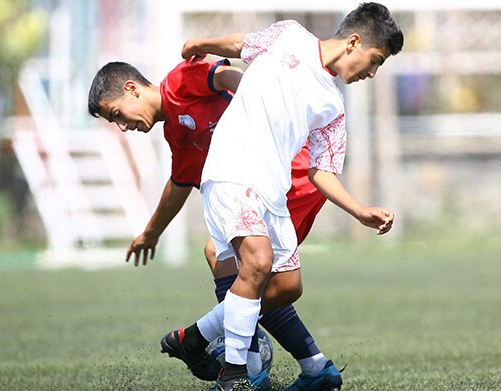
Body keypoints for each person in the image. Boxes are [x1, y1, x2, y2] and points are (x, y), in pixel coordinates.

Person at [171, 2, 403, 390]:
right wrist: (199, 42)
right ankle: (235, 377)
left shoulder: (333, 106)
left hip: (271, 189)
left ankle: (195, 336)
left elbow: (321, 171)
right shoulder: (290, 36)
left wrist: (359, 210)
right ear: (354, 42)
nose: (372, 72)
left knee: (287, 287)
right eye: (375, 60)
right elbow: (239, 44)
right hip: (231, 169)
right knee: (257, 263)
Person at [87, 59, 340, 390]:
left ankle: (222, 355)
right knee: (233, 263)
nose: (122, 126)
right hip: (272, 185)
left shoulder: (178, 82)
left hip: (287, 176)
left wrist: (258, 101)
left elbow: (226, 76)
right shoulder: (176, 132)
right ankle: (308, 367)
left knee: (243, 267)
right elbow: (179, 183)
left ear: (131, 89)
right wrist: (151, 232)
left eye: (117, 114)